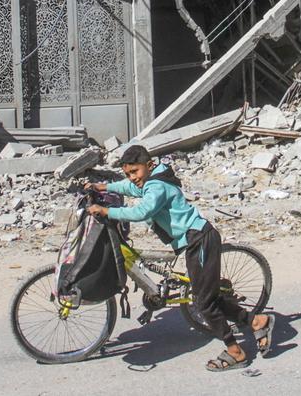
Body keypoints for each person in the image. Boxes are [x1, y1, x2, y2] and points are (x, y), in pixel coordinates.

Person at [85, 144, 274, 372]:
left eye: (135, 172)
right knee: (208, 298)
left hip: (199, 240)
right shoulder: (150, 180)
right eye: (128, 173)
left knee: (204, 303)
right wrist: (103, 186)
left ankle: (236, 351)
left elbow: (141, 212)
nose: (132, 178)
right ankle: (256, 321)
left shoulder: (157, 186)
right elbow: (129, 188)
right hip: (193, 240)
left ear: (149, 165)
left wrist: (108, 212)